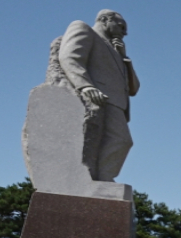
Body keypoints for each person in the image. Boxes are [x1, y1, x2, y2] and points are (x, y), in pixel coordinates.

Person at [59, 10, 140, 181]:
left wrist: (125, 59)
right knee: (116, 140)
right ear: (105, 20)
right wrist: (85, 85)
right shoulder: (84, 29)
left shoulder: (118, 51)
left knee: (122, 141)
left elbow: (134, 89)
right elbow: (70, 57)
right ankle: (97, 179)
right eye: (121, 26)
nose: (124, 32)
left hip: (116, 104)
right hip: (97, 98)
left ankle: (102, 179)